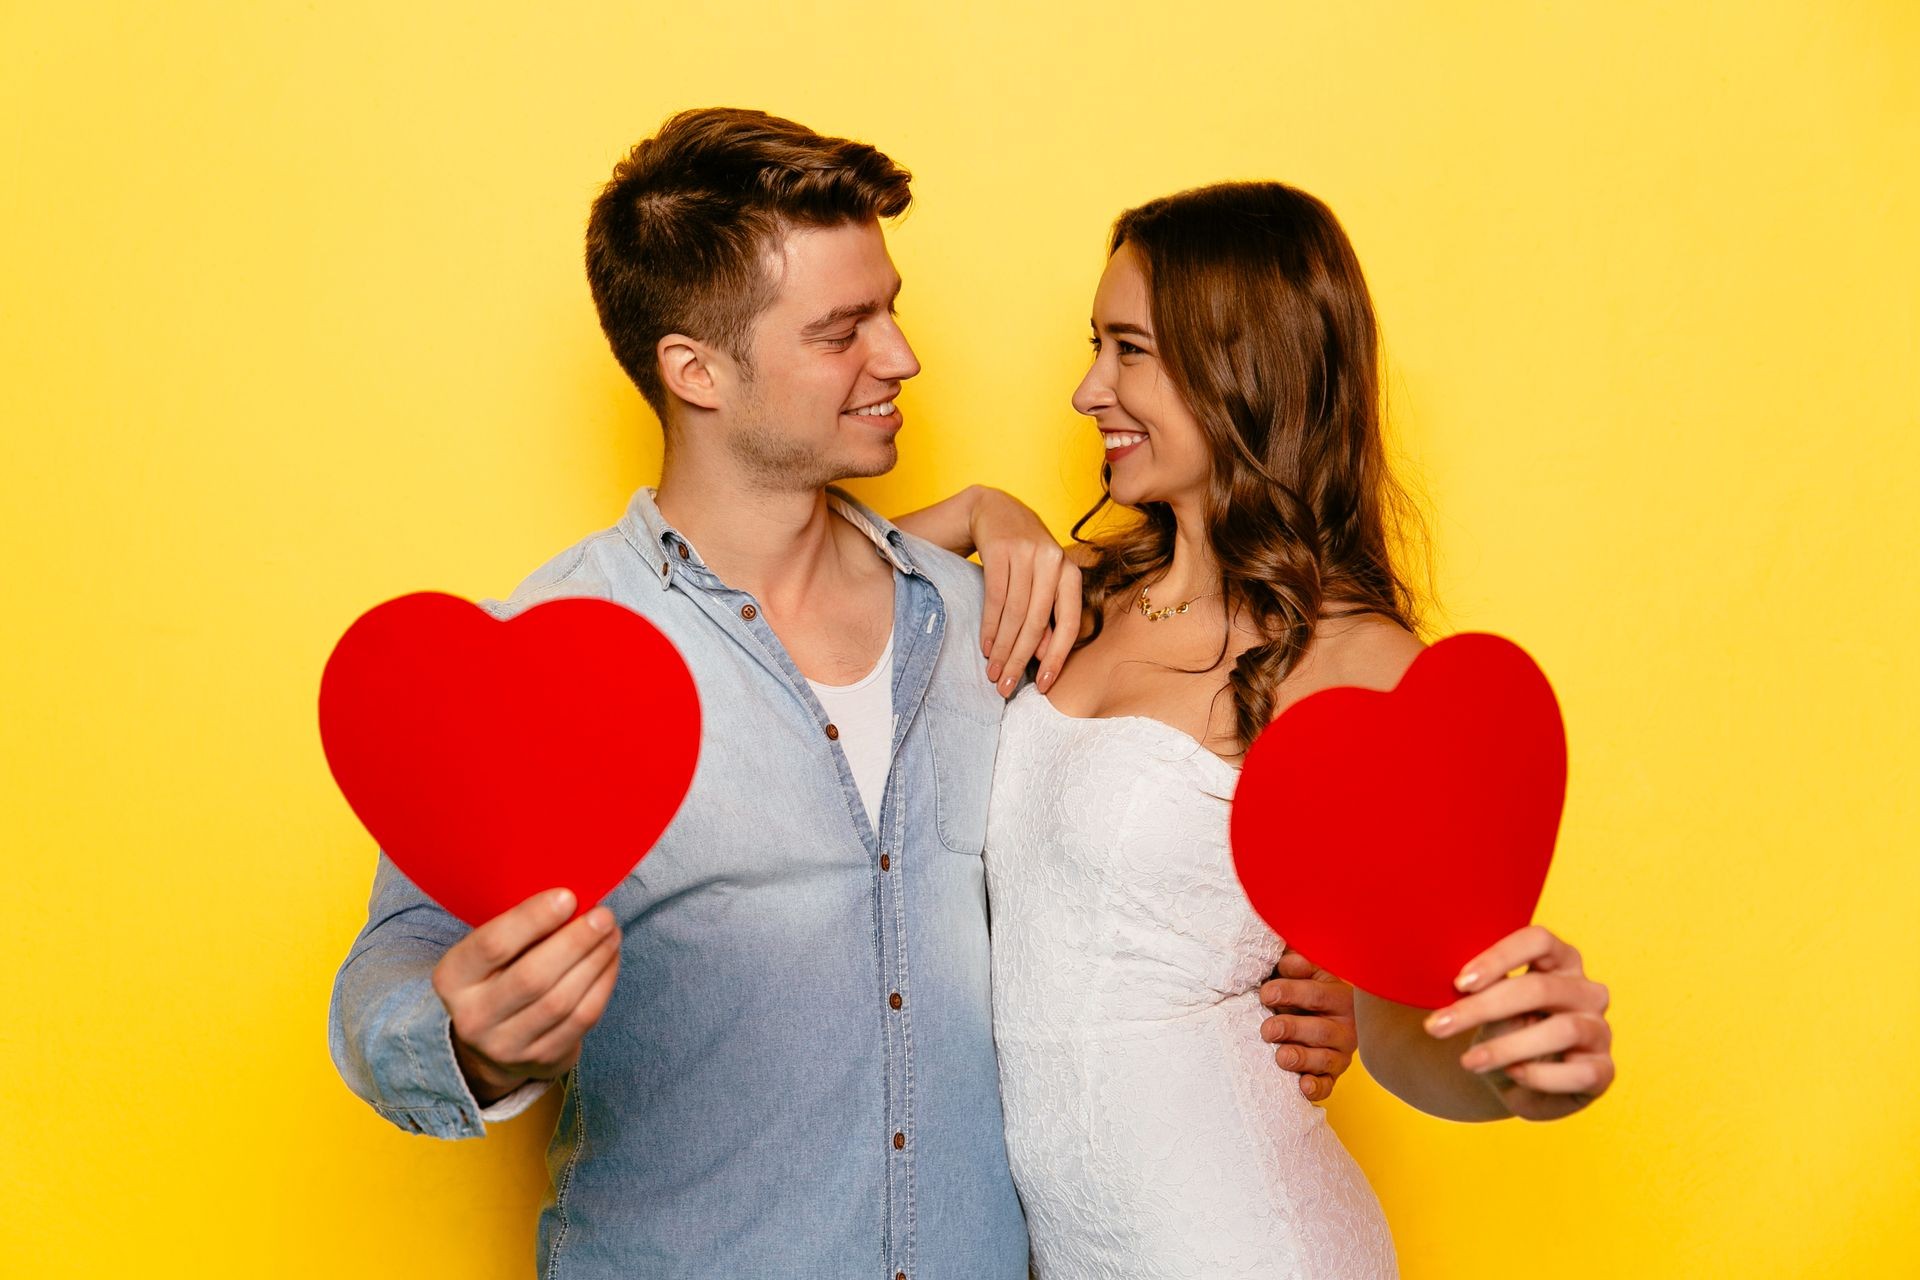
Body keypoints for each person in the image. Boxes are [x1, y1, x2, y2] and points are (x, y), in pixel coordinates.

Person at [326, 109, 1350, 1280]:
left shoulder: (991, 623)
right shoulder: (552, 662)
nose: (903, 356)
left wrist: (1273, 981)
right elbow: (396, 955)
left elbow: (1125, 871)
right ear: (694, 369)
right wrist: (463, 1040)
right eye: (840, 330)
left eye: (892, 305)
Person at [969, 183, 1618, 1278]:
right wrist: (981, 509)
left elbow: (1408, 1025)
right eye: (1095, 343)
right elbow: (802, 599)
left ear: (1245, 367)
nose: (1088, 389)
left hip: (1241, 1243)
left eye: (1130, 349)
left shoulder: (1355, 663)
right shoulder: (1073, 591)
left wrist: (1517, 1071)